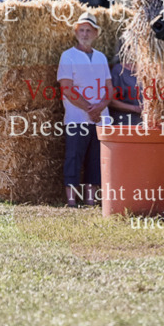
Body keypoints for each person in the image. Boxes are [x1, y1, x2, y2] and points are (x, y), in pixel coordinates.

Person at [57, 12, 113, 208]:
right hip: (76, 118)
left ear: (96, 33)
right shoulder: (68, 56)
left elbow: (109, 89)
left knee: (96, 160)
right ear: (76, 32)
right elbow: (67, 88)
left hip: (101, 119)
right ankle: (71, 200)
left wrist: (100, 108)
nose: (85, 33)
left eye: (89, 30)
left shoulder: (101, 58)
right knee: (74, 157)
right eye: (81, 30)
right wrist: (90, 109)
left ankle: (91, 199)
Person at [108, 56, 142, 125]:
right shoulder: (119, 70)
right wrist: (136, 108)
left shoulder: (148, 70)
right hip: (125, 122)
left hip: (144, 123)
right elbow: (110, 101)